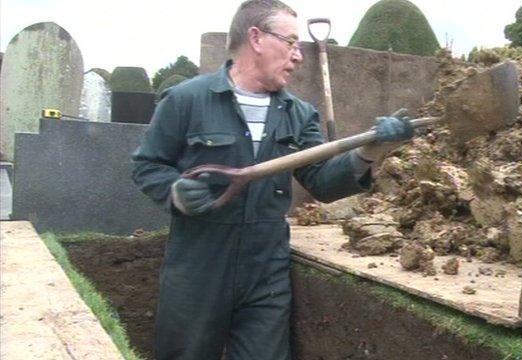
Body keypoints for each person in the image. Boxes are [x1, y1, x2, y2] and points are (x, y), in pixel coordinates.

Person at [131, 0, 413, 359]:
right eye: (291, 42)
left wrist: (371, 152)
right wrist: (175, 192)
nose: (298, 56)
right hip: (198, 269)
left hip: (265, 273)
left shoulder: (299, 115)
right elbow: (147, 165)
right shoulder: (187, 100)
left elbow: (322, 182)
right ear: (257, 38)